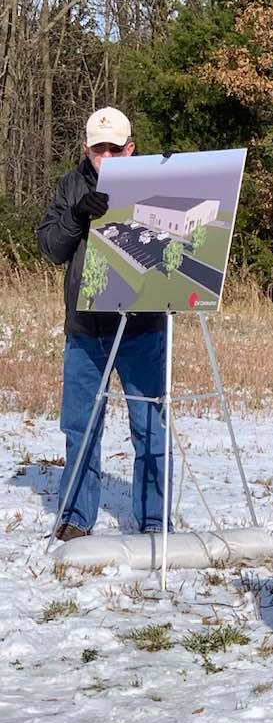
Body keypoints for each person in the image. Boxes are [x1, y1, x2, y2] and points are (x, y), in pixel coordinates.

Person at [38, 107, 170, 540]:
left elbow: (174, 250)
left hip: (143, 327)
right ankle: (76, 516)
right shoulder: (70, 186)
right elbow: (51, 248)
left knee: (149, 425)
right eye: (100, 149)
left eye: (117, 148)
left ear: (131, 148)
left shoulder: (157, 182)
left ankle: (153, 519)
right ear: (86, 149)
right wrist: (77, 215)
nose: (108, 156)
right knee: (80, 427)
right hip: (86, 330)